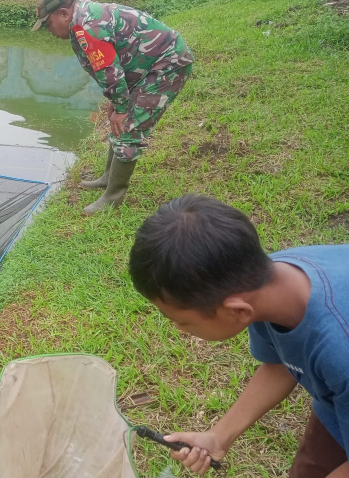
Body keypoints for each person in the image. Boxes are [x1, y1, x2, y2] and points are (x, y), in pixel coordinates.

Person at [128, 194, 349, 477]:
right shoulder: (265, 284)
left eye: (182, 322)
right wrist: (219, 436)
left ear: (236, 311)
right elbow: (281, 362)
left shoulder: (340, 351)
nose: (179, 329)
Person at [32, 0, 194, 215]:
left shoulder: (89, 26)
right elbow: (110, 64)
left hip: (167, 64)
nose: (49, 29)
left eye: (48, 23)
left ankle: (112, 197)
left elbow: (109, 70)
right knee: (118, 117)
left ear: (64, 14)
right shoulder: (81, 21)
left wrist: (121, 106)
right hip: (146, 66)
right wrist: (115, 99)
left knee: (128, 125)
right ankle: (107, 178)